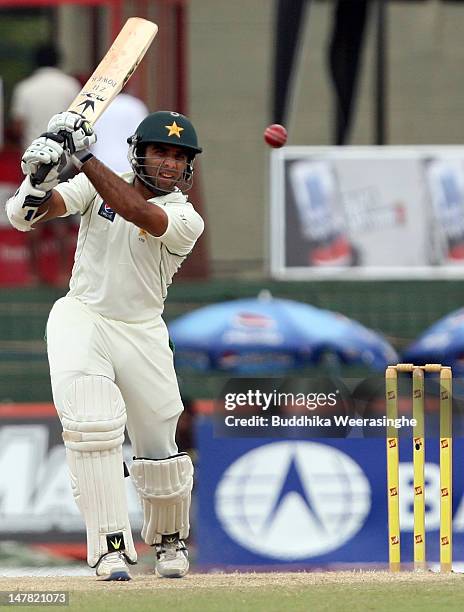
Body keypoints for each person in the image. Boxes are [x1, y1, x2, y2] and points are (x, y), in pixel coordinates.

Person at [5, 109, 204, 581]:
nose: (169, 164)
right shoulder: (97, 183)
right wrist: (37, 180)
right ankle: (110, 546)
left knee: (159, 443)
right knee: (92, 426)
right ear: (139, 152)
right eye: (160, 152)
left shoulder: (183, 216)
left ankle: (169, 541)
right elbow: (27, 216)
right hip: (84, 314)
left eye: (179, 157)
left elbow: (140, 214)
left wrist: (81, 156)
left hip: (142, 329)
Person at [10, 43, 81, 286]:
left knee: (31, 213)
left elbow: (18, 125)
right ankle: (63, 272)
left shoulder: (25, 88)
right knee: (62, 213)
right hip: (64, 157)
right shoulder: (70, 85)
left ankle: (33, 274)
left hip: (34, 158)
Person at [92, 92, 149, 172]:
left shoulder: (94, 105)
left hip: (97, 164)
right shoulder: (134, 105)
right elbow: (142, 137)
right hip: (128, 165)